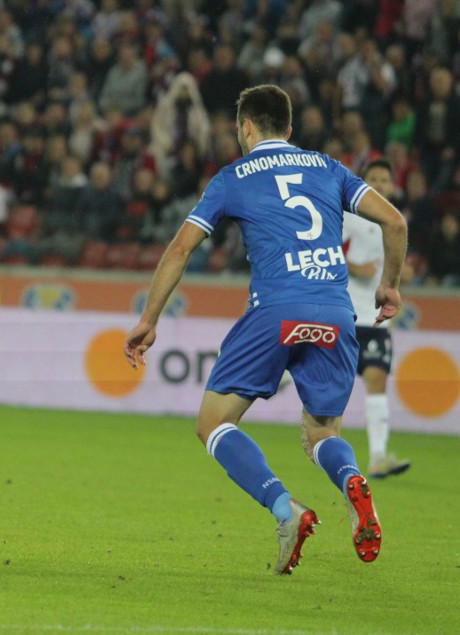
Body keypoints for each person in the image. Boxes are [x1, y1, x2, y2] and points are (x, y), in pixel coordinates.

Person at [124, 85, 407, 575]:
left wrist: (149, 320)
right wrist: (390, 287)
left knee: (213, 423)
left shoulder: (232, 177)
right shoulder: (328, 167)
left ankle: (286, 510)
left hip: (275, 310)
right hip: (336, 312)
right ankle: (353, 479)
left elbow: (179, 249)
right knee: (321, 431)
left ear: (246, 128)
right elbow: (396, 223)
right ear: (290, 129)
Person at [343, 159, 411, 479]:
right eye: (375, 178)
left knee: (376, 380)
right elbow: (323, 250)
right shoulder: (349, 218)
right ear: (363, 182)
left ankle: (378, 457)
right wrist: (354, 268)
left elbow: (396, 266)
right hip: (346, 313)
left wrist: (401, 273)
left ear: (393, 185)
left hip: (376, 319)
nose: (381, 184)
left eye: (386, 178)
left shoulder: (395, 222)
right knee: (316, 376)